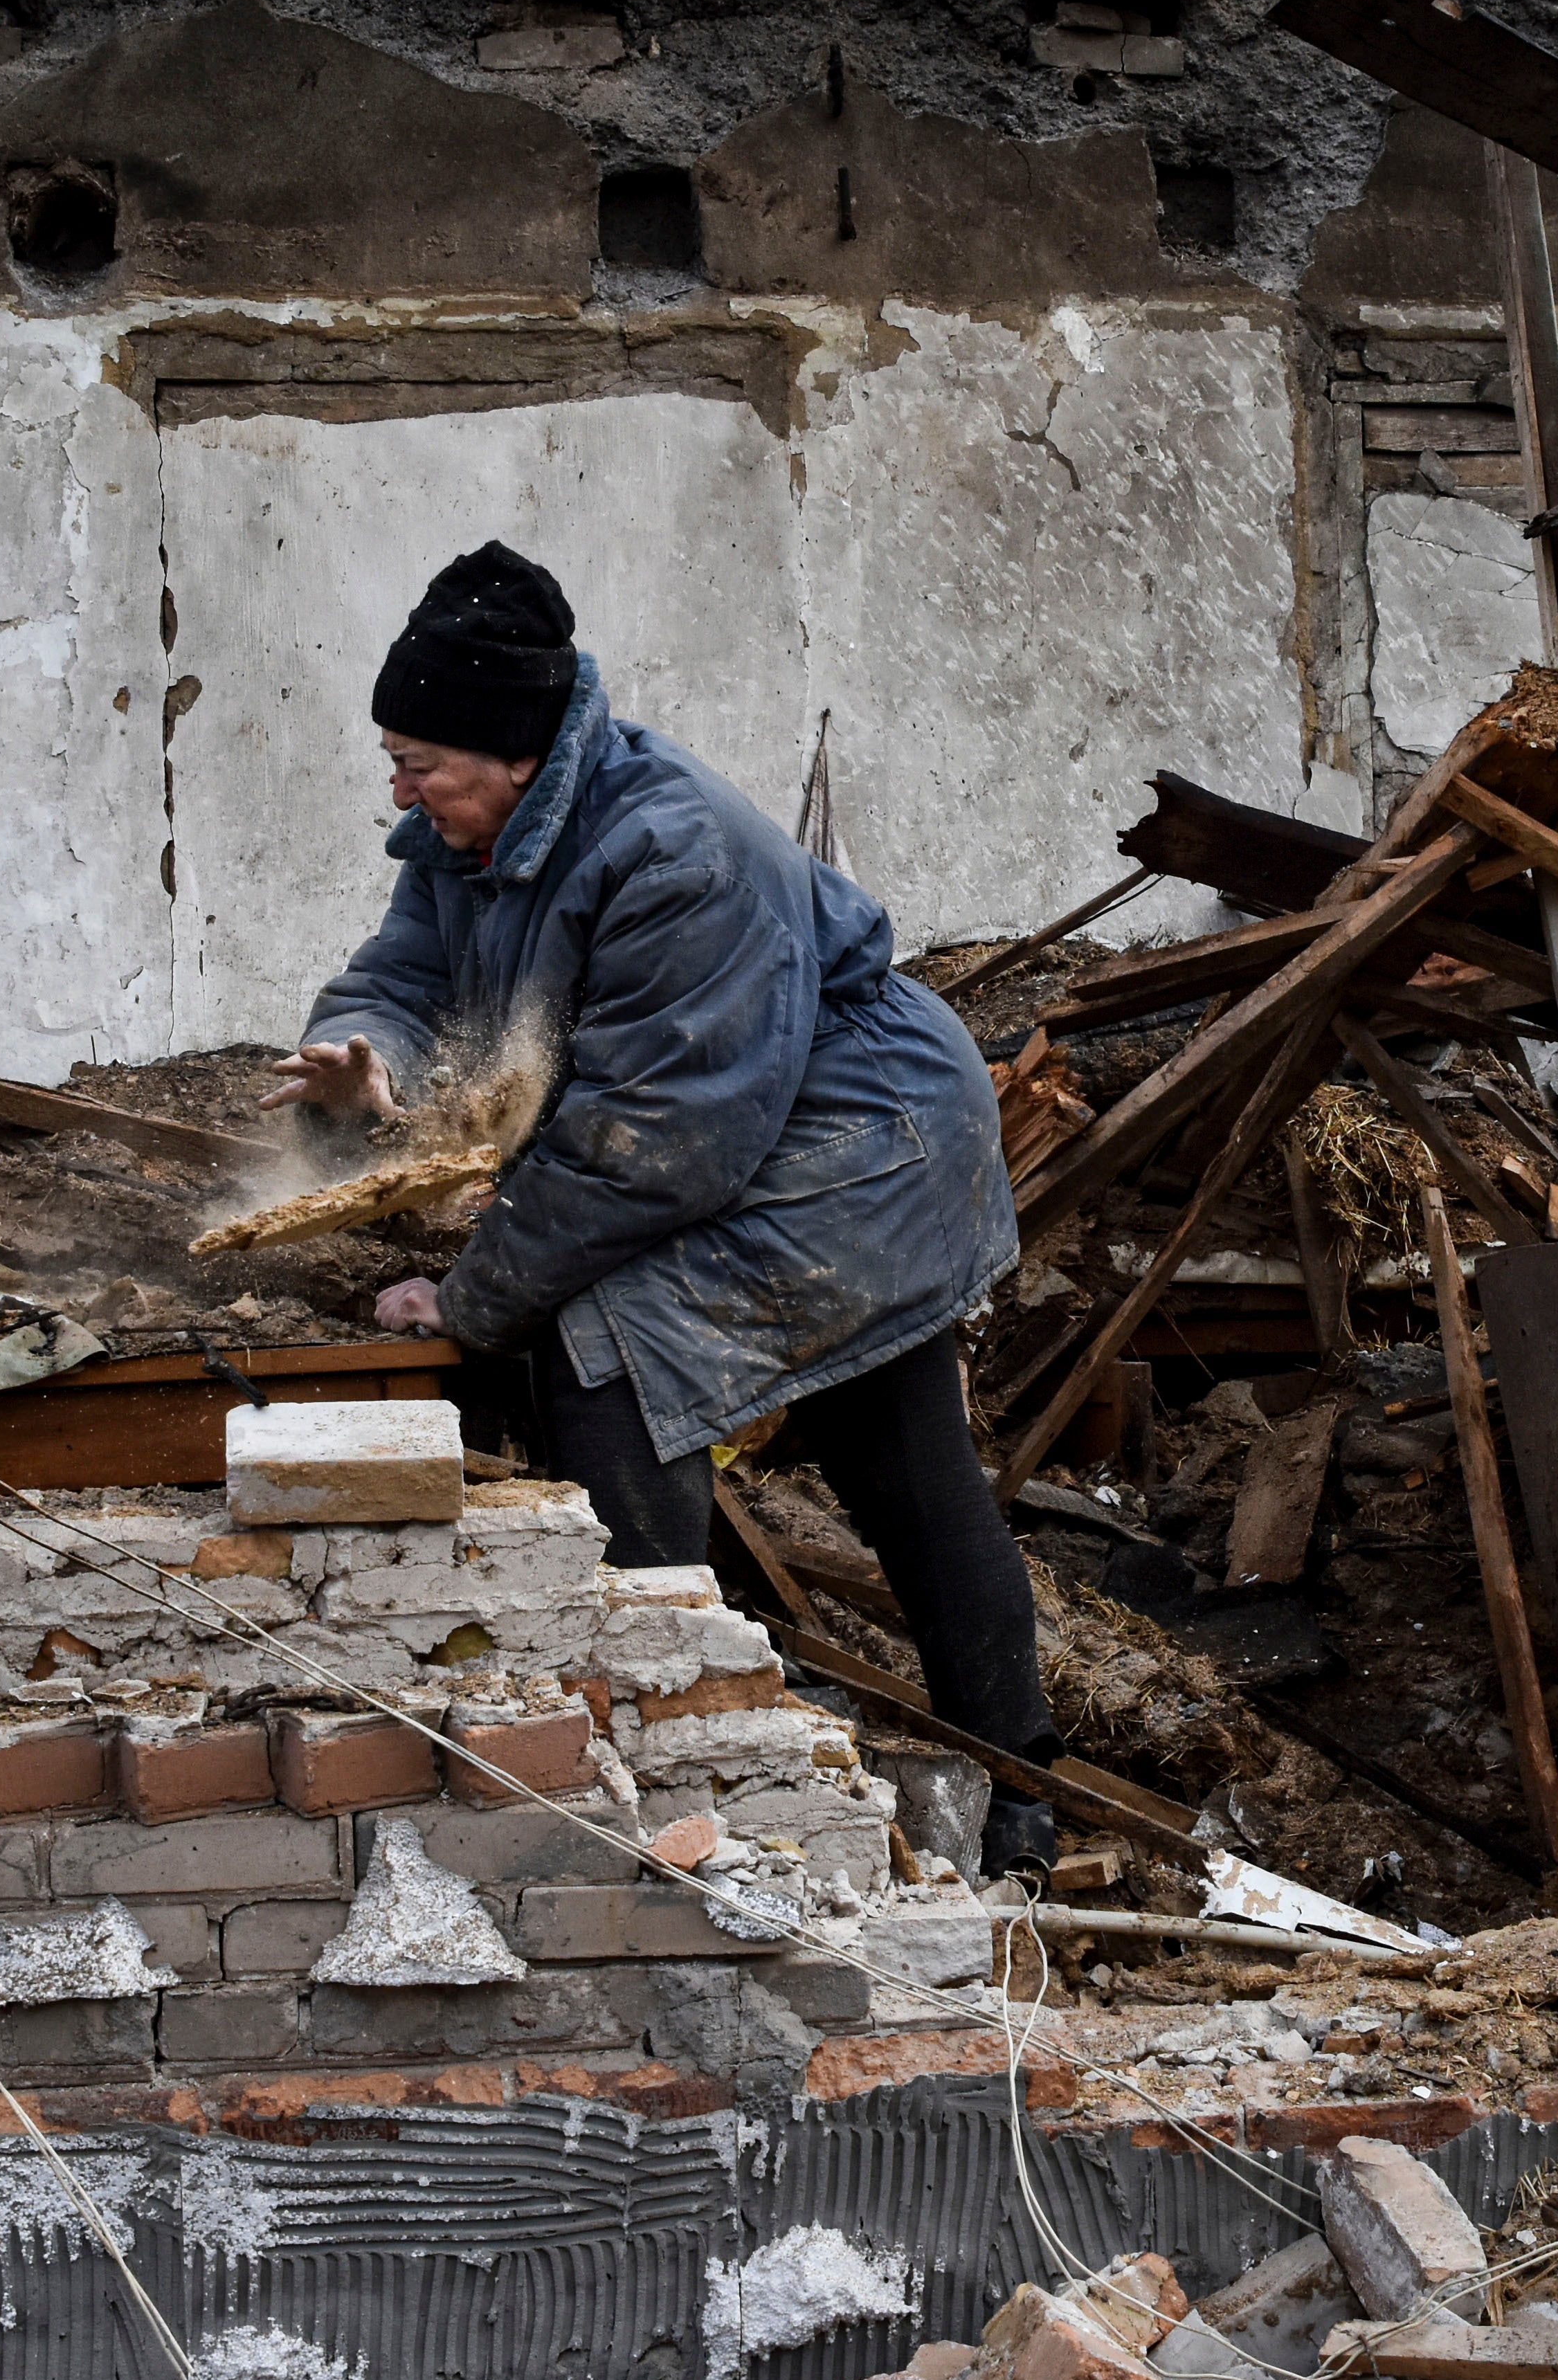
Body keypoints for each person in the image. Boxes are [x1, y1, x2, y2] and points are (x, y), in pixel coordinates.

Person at [264, 541, 1065, 1884]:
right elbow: (399, 975)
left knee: (637, 1365)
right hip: (741, 1124)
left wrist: (466, 1299)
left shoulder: (676, 850)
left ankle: (699, 1755)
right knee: (863, 1438)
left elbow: (651, 1148)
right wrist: (367, 1058)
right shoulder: (466, 834)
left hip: (863, 1144)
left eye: (419, 761)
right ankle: (690, 1736)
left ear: (513, 751)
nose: (397, 787)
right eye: (393, 756)